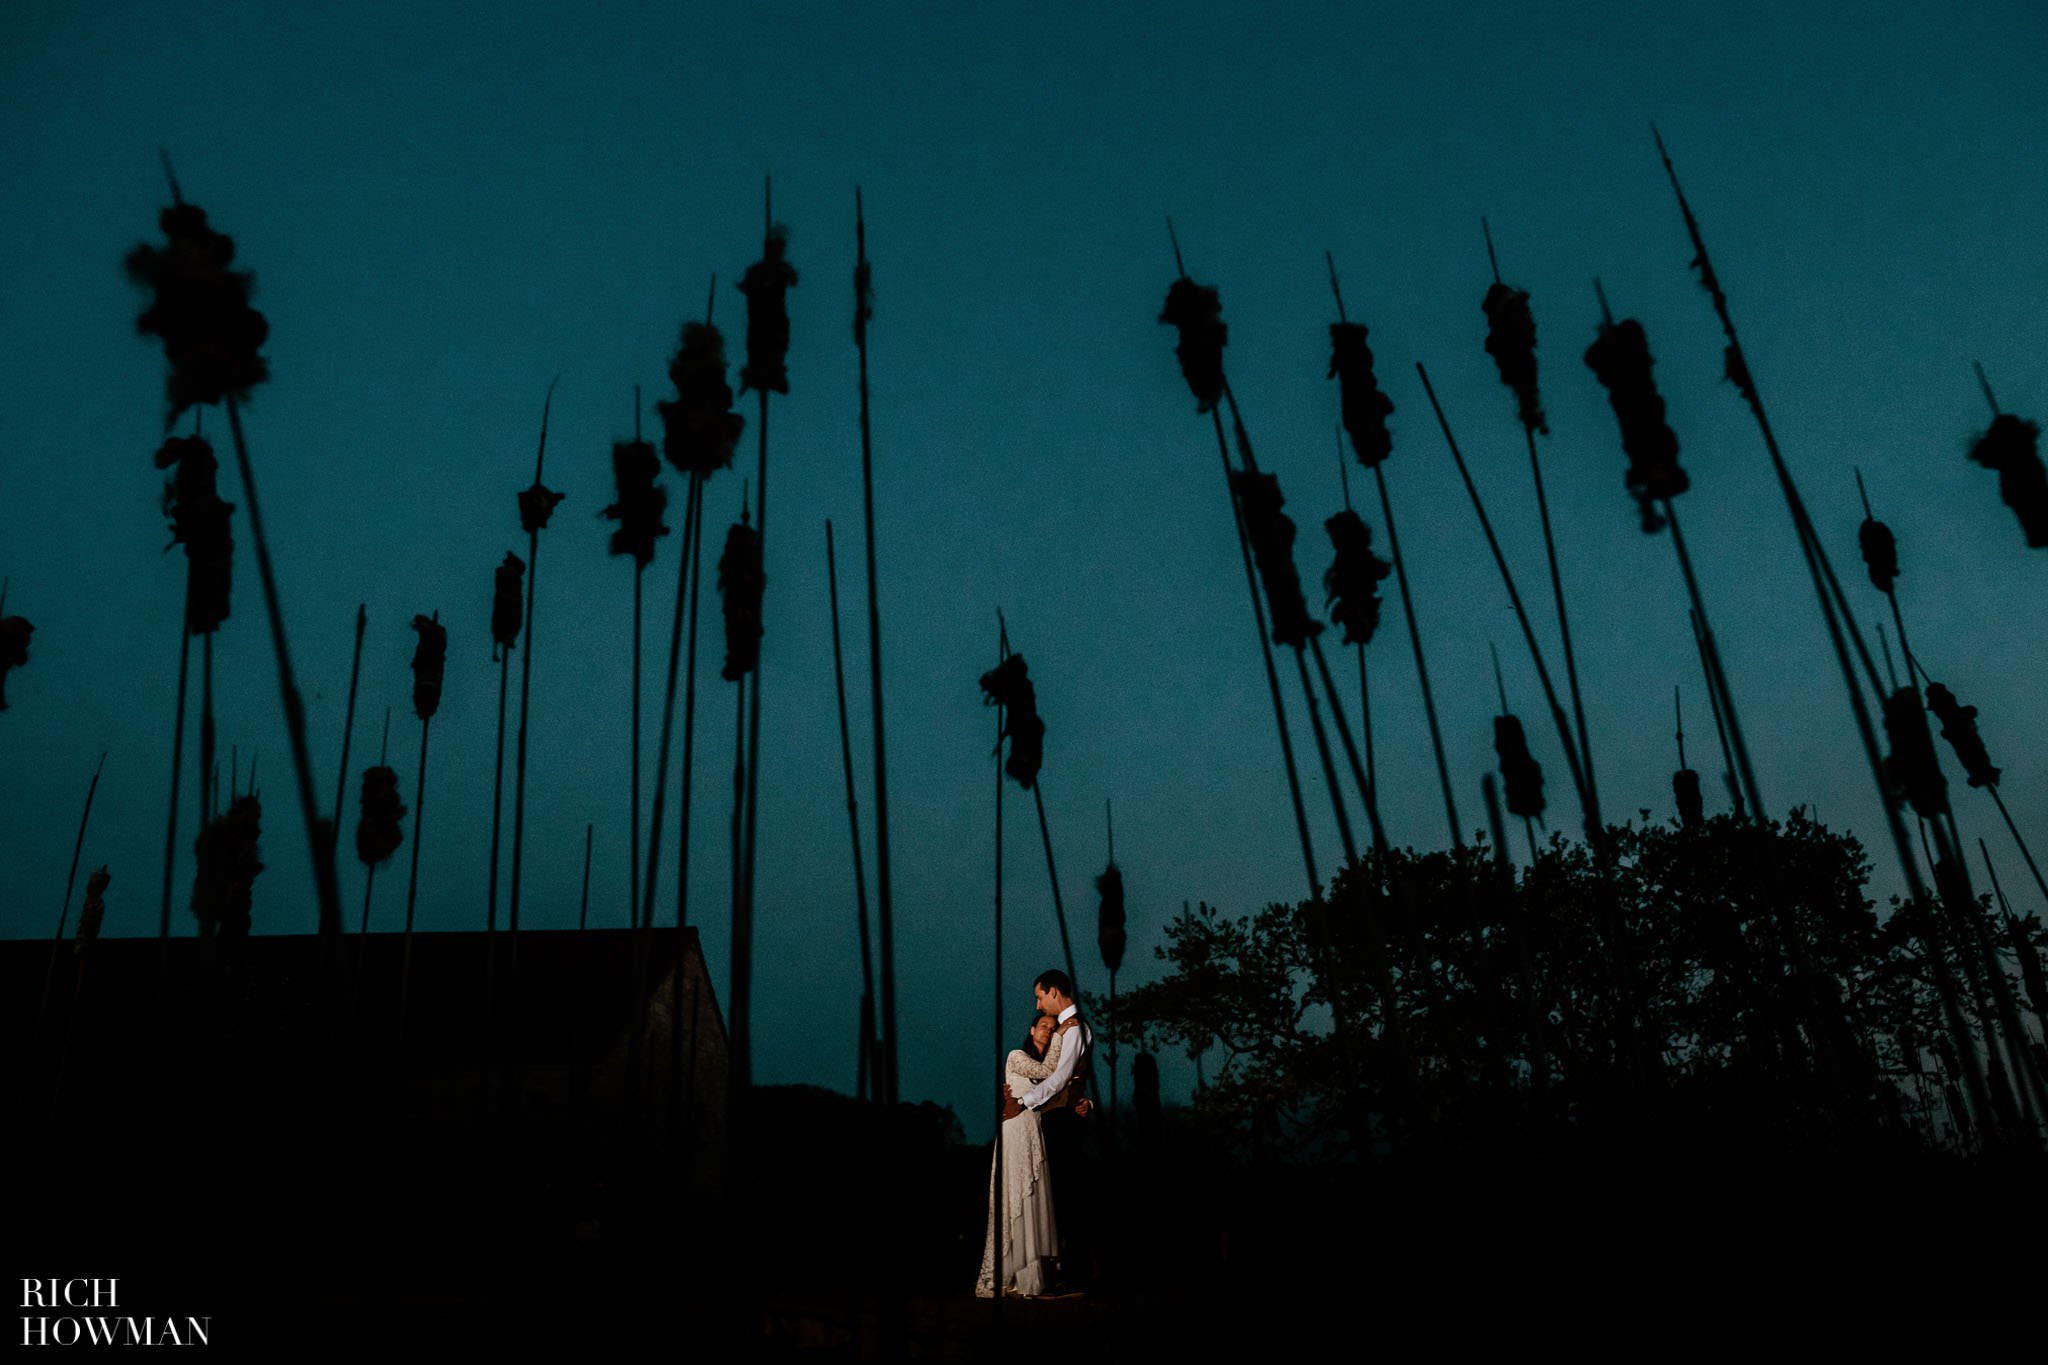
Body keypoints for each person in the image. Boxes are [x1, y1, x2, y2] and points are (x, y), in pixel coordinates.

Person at [976, 1014, 1064, 1298]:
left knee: (1031, 1198)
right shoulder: (1017, 1056)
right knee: (1012, 1197)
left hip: (1033, 1132)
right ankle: (997, 1278)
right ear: (1031, 1030)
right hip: (1014, 1131)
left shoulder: (1046, 1066)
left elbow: (1057, 1090)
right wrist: (1065, 1035)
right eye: (1043, 1027)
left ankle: (1030, 1279)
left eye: (1052, 1030)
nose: (1048, 1033)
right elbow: (1049, 1070)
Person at [1017, 969, 1094, 1290]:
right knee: (1060, 1196)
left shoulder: (1074, 1029)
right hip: (1059, 1116)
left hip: (1061, 1119)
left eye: (1039, 996)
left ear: (1053, 992)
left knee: (1067, 1196)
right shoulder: (1066, 1028)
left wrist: (1026, 1100)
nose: (1037, 1005)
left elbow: (1061, 1077)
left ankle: (1074, 1275)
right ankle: (1068, 1271)